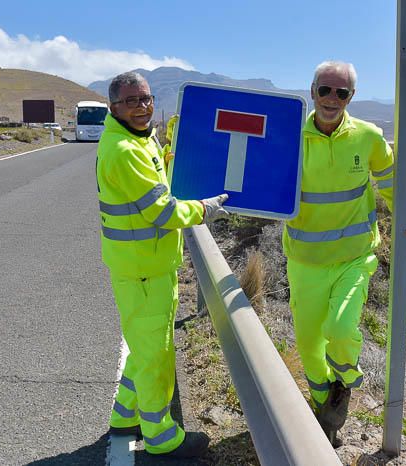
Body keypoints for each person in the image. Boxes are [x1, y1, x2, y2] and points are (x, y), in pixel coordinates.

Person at [283, 61, 406, 447]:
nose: (331, 99)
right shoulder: (290, 135)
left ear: (351, 98)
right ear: (311, 90)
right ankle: (326, 410)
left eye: (341, 93)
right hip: (304, 261)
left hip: (354, 258)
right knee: (310, 349)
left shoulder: (368, 137)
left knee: (340, 329)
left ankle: (345, 382)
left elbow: (393, 182)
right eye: (325, 90)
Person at [96, 71, 228, 458]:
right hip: (142, 270)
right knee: (155, 353)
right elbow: (161, 210)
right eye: (132, 101)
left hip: (147, 265)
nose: (142, 107)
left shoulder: (142, 140)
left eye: (147, 99)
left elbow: (160, 186)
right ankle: (160, 437)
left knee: (143, 345)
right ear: (113, 107)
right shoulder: (124, 150)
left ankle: (125, 416)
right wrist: (204, 209)